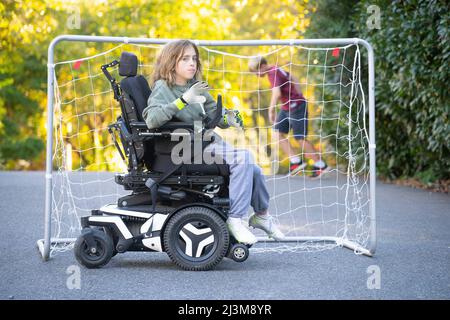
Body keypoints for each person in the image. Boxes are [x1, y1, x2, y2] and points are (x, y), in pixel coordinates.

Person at [142, 40, 285, 244]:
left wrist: (229, 118)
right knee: (244, 158)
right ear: (171, 62)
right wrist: (183, 100)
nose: (192, 63)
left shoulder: (195, 86)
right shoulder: (163, 87)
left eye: (194, 59)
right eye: (185, 59)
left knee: (253, 169)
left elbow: (213, 114)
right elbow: (152, 120)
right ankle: (235, 220)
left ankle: (261, 215)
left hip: (206, 143)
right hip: (186, 149)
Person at [248, 56, 329, 178]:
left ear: (262, 66)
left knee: (300, 138)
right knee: (277, 132)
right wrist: (298, 92)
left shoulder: (272, 73)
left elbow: (277, 93)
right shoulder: (277, 69)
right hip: (286, 107)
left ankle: (320, 164)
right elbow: (292, 78)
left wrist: (271, 110)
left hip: (296, 106)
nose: (256, 75)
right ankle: (296, 162)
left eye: (256, 72)